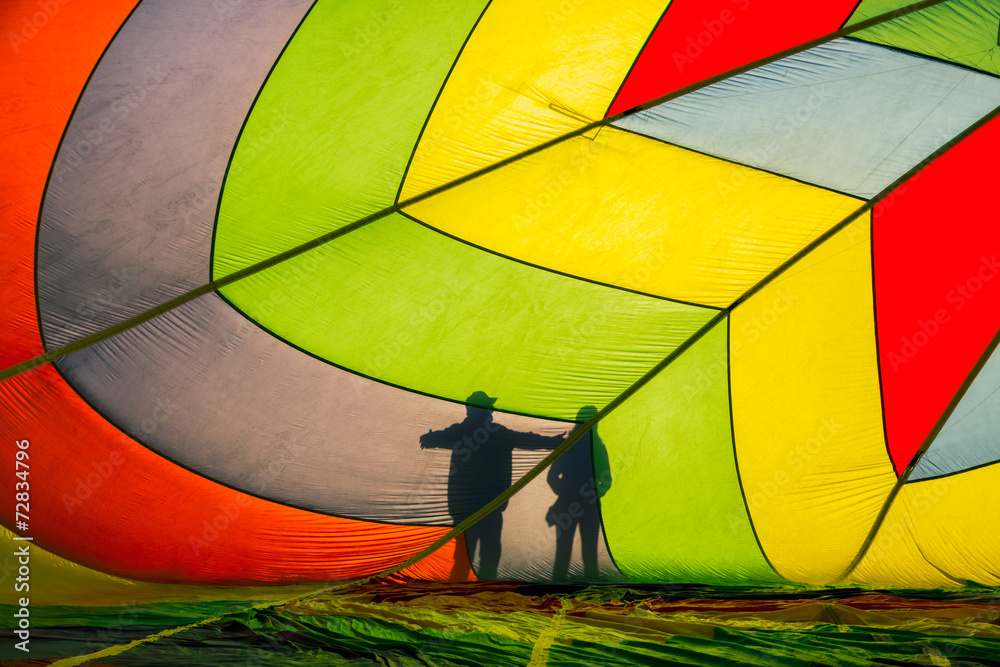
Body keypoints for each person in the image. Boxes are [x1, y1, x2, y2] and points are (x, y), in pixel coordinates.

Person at [420, 391, 564, 579]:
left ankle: (459, 590)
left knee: (464, 554)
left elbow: (429, 439)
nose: (492, 410)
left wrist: (432, 437)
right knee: (489, 552)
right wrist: (555, 442)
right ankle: (481, 589)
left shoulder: (458, 432)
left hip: (464, 507)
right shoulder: (495, 433)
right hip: (490, 506)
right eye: (489, 407)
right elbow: (527, 439)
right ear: (481, 411)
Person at [546, 405, 612, 581]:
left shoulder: (570, 446)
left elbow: (552, 477)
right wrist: (590, 496)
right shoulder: (596, 447)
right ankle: (586, 590)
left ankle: (558, 589)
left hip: (569, 505)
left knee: (565, 550)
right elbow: (606, 480)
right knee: (588, 552)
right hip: (587, 506)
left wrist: (567, 494)